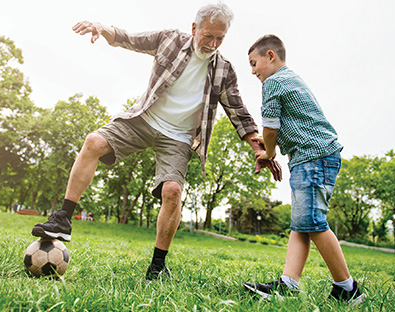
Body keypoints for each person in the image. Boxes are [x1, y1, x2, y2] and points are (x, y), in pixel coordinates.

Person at [31, 3, 282, 281]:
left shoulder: (224, 70)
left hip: (178, 136)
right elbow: (128, 39)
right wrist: (102, 28)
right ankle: (63, 218)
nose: (212, 43)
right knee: (93, 142)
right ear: (194, 28)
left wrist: (259, 148)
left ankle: (157, 266)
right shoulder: (170, 40)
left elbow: (239, 113)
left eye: (220, 38)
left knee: (173, 190)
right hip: (144, 118)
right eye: (208, 35)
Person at [243, 34, 365, 304]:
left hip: (314, 157)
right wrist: (272, 143)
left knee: (314, 222)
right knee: (301, 224)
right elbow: (291, 125)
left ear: (271, 56)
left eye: (254, 64)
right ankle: (288, 283)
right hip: (313, 157)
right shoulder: (291, 79)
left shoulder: (274, 82)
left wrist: (269, 151)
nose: (253, 71)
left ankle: (348, 288)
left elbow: (271, 126)